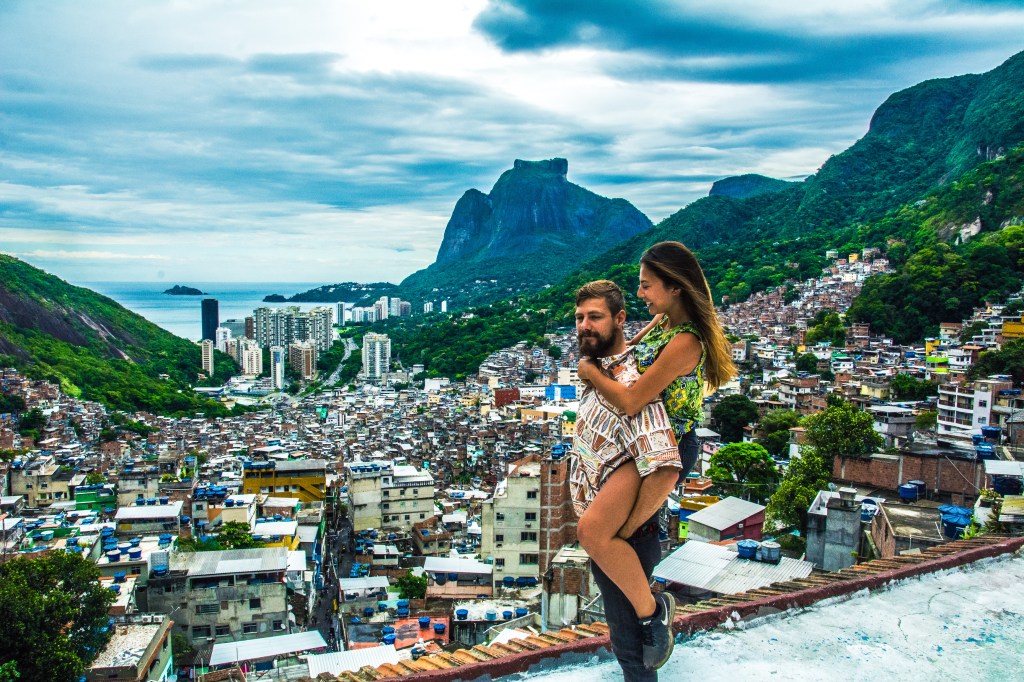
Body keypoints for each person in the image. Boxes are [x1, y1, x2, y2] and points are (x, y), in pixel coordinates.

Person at [577, 241, 738, 541]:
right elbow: (629, 353)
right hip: (646, 439)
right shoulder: (663, 320)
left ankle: (643, 587)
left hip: (670, 446)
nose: (640, 294)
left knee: (628, 533)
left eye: (646, 286)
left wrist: (590, 373)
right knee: (610, 529)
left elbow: (632, 401)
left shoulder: (686, 342)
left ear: (675, 287)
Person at [570, 280, 681, 676]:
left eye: (595, 317)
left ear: (619, 319)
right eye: (580, 318)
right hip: (611, 534)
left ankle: (656, 613)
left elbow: (666, 465)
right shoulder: (600, 372)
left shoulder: (630, 383)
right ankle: (652, 614)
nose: (584, 325)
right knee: (624, 641)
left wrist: (626, 529)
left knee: (633, 646)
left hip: (625, 538)